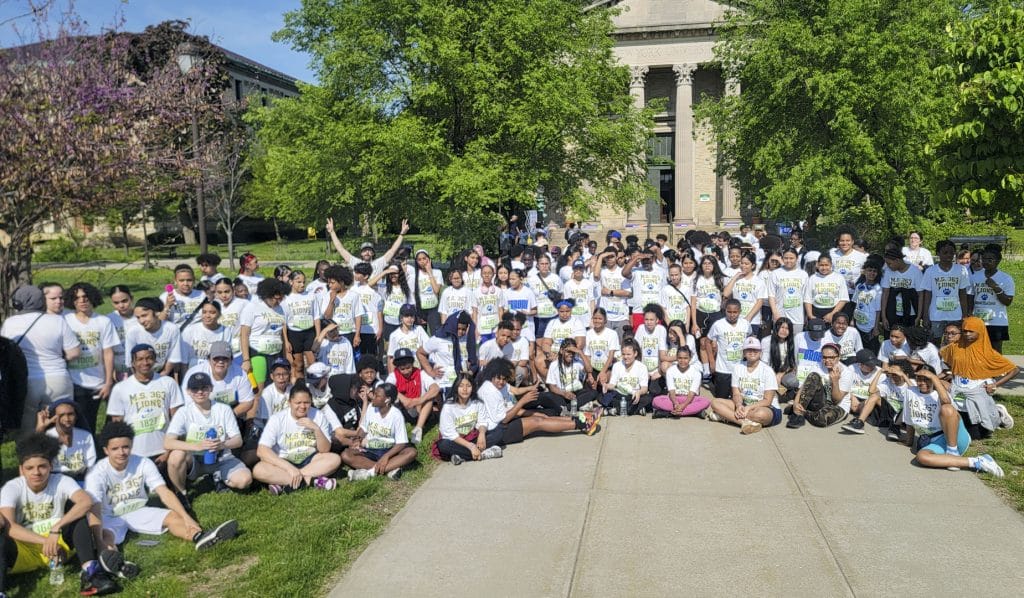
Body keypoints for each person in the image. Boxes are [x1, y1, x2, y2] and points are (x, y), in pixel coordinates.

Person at [86, 421, 239, 553]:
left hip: (137, 510)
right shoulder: (97, 473)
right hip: (110, 515)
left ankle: (201, 537)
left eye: (125, 447)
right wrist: (98, 541)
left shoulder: (143, 462)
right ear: (106, 450)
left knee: (174, 517)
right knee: (106, 535)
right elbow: (94, 509)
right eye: (115, 449)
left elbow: (164, 492)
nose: (121, 452)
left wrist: (187, 518)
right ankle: (112, 558)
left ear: (131, 445)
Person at [0, 433, 119, 596]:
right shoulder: (12, 487)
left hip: (60, 544)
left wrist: (56, 528)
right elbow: (10, 527)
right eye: (29, 468)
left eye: (42, 466)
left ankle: (91, 573)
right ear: (21, 469)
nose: (36, 472)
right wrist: (45, 540)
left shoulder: (61, 480)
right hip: (26, 549)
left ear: (50, 465)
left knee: (79, 518)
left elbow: (85, 502)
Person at [1, 285, 80, 431]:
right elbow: (74, 352)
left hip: (26, 381)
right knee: (61, 427)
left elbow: (6, 354)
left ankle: (30, 452)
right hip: (58, 379)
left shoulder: (10, 323)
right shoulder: (57, 321)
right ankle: (62, 452)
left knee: (28, 429)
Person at [899, 366, 1004, 477]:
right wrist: (909, 441)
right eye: (920, 379)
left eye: (927, 379)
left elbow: (946, 401)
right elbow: (910, 420)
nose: (923, 382)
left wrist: (934, 378)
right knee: (921, 457)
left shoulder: (939, 394)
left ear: (935, 379)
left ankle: (952, 451)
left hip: (953, 437)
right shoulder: (910, 392)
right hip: (933, 441)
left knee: (946, 409)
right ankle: (978, 461)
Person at [164, 372, 253, 501]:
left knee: (245, 480)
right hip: (195, 460)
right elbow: (168, 442)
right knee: (176, 456)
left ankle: (217, 478)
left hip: (222, 458)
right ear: (188, 391)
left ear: (211, 388)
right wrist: (196, 446)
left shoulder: (224, 409)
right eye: (195, 388)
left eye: (204, 388)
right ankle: (181, 493)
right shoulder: (184, 412)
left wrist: (222, 445)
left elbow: (238, 440)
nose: (200, 392)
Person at [478, 359, 600, 444]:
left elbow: (512, 391)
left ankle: (583, 418)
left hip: (509, 417)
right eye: (499, 378)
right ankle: (584, 425)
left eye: (504, 379)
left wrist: (529, 395)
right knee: (538, 422)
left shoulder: (499, 384)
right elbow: (503, 419)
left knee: (542, 416)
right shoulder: (489, 391)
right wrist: (523, 402)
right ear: (492, 375)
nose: (502, 382)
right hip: (498, 431)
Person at [940, 317, 1018, 440]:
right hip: (959, 392)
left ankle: (998, 413)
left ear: (980, 331)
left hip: (977, 393)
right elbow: (949, 363)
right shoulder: (955, 348)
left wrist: (995, 384)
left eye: (971, 331)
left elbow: (1014, 370)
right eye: (965, 331)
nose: (967, 334)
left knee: (978, 436)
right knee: (959, 429)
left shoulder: (988, 353)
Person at [254, 384, 341, 494]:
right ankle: (311, 480)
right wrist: (290, 468)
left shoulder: (318, 415)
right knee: (259, 469)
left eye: (306, 402)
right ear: (289, 402)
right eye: (298, 403)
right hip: (284, 462)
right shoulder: (277, 419)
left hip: (310, 460)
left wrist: (316, 429)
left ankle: (284, 483)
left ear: (311, 402)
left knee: (334, 459)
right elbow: (262, 450)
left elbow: (325, 450)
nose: (303, 406)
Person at [107, 344, 184, 465]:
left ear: (155, 360)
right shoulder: (120, 388)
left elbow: (178, 420)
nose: (145, 362)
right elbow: (117, 427)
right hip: (134, 453)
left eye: (149, 358)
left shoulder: (168, 383)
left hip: (164, 451)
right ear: (132, 362)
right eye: (140, 359)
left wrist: (168, 452)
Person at [62, 282, 119, 435]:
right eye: (77, 298)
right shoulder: (66, 321)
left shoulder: (103, 321)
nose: (82, 301)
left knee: (94, 421)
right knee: (78, 423)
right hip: (74, 381)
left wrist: (108, 382)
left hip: (98, 382)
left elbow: (108, 352)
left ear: (92, 297)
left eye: (85, 297)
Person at [342, 383, 420, 481]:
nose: (373, 397)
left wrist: (386, 456)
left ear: (387, 399)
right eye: (374, 394)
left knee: (411, 452)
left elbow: (401, 443)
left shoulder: (396, 415)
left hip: (390, 450)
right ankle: (389, 469)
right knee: (346, 455)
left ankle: (370, 472)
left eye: (377, 396)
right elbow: (363, 428)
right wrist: (358, 439)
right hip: (370, 449)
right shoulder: (371, 408)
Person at [706, 337, 781, 435]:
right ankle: (744, 423)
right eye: (749, 349)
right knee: (715, 402)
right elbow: (736, 393)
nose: (752, 352)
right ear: (744, 353)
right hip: (744, 404)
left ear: (760, 352)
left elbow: (767, 400)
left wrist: (748, 408)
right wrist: (738, 405)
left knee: (760, 415)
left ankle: (726, 417)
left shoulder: (767, 371)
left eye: (755, 350)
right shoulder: (738, 367)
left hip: (765, 407)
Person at [433, 373, 505, 465]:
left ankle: (460, 456)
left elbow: (482, 421)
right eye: (461, 386)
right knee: (443, 445)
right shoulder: (448, 407)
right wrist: (470, 446)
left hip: (473, 437)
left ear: (473, 387)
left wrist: (482, 434)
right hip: (457, 441)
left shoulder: (477, 403)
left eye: (468, 386)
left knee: (498, 431)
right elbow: (449, 434)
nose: (465, 389)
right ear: (456, 387)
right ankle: (484, 454)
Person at [239, 278, 290, 394]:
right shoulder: (252, 307)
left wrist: (286, 354)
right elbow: (244, 334)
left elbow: (281, 332)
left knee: (277, 388)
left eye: (281, 298)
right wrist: (246, 359)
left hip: (276, 353)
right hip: (258, 354)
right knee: (259, 391)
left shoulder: (281, 308)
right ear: (267, 295)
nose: (279, 301)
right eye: (277, 298)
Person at [918, 239, 970, 343]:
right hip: (936, 315)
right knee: (934, 342)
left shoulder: (961, 270)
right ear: (938, 253)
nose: (949, 255)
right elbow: (927, 294)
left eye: (951, 252)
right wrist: (926, 315)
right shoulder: (931, 271)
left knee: (954, 342)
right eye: (945, 252)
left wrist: (964, 315)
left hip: (955, 315)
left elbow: (962, 293)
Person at [386, 348, 441, 445]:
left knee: (430, 398)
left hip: (420, 409)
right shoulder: (393, 376)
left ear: (413, 364)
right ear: (397, 367)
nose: (406, 371)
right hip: (403, 409)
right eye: (402, 369)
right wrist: (404, 399)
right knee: (391, 396)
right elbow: (387, 388)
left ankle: (418, 429)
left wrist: (418, 401)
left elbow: (435, 388)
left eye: (408, 367)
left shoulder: (421, 373)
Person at [418, 311, 477, 401]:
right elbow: (420, 353)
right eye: (458, 328)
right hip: (445, 382)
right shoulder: (439, 339)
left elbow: (472, 359)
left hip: (463, 381)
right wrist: (430, 371)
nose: (461, 332)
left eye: (463, 329)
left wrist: (470, 371)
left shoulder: (468, 339)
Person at [786, 344, 848, 428]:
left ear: (838, 357)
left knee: (822, 420)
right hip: (819, 402)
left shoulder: (847, 372)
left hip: (837, 406)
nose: (827, 360)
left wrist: (835, 382)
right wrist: (796, 403)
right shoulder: (817, 366)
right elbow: (804, 387)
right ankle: (798, 414)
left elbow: (836, 400)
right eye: (824, 357)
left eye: (831, 357)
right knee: (813, 376)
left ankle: (803, 412)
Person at [35, 398, 96, 483]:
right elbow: (34, 454)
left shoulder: (85, 436)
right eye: (62, 415)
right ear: (54, 418)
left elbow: (90, 464)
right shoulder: (47, 436)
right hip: (55, 478)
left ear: (76, 416)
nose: (67, 419)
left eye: (70, 414)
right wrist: (40, 428)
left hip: (80, 478)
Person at [326, 216, 409, 277]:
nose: (367, 253)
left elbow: (392, 250)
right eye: (364, 250)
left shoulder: (379, 263)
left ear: (373, 253)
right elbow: (341, 249)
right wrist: (332, 232)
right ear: (361, 253)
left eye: (369, 250)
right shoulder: (355, 262)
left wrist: (402, 234)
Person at [969, 244, 1014, 352]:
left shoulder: (1006, 278)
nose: (986, 262)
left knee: (995, 350)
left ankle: (998, 369)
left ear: (998, 261)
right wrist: (969, 314)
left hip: (997, 321)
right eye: (984, 259)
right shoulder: (975, 277)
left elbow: (1007, 301)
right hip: (978, 320)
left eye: (990, 259)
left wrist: (995, 287)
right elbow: (970, 297)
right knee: (977, 349)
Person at [123, 297, 182, 376]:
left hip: (164, 372)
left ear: (157, 313)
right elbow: (130, 361)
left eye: (144, 315)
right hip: (139, 374)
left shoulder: (172, 329)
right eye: (138, 317)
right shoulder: (133, 332)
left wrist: (163, 374)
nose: (141, 321)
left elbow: (174, 356)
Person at [706, 299, 752, 399]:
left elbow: (750, 341)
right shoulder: (718, 324)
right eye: (729, 312)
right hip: (723, 369)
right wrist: (711, 361)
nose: (732, 315)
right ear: (725, 311)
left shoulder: (746, 324)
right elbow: (707, 342)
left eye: (735, 312)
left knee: (740, 398)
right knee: (721, 398)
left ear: (740, 311)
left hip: (740, 368)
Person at [281, 270, 321, 377]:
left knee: (313, 364)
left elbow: (316, 316)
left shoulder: (311, 296)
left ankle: (315, 389)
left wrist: (318, 335)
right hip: (294, 334)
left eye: (304, 282)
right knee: (298, 365)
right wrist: (286, 341)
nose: (302, 284)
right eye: (298, 282)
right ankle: (300, 388)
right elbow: (283, 322)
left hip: (309, 333)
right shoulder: (286, 299)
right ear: (291, 282)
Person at [651, 346, 710, 418]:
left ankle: (668, 413)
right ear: (676, 358)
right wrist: (675, 403)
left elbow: (691, 393)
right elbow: (671, 391)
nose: (682, 361)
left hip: (690, 399)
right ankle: (694, 413)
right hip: (674, 398)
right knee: (656, 401)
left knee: (705, 402)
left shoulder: (696, 373)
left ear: (690, 358)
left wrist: (683, 405)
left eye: (685, 358)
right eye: (680, 358)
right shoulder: (670, 370)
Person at [837, 349, 885, 434]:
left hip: (869, 401)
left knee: (871, 399)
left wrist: (879, 373)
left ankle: (859, 423)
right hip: (853, 397)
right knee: (844, 392)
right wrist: (851, 396)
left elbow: (875, 393)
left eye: (874, 364)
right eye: (869, 365)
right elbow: (844, 385)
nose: (872, 367)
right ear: (860, 364)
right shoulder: (852, 368)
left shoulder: (879, 372)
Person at [600, 338, 651, 416]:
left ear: (635, 353)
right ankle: (635, 410)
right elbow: (613, 385)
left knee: (648, 398)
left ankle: (615, 410)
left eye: (628, 354)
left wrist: (639, 392)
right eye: (623, 354)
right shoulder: (617, 365)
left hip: (633, 395)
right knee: (602, 396)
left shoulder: (642, 367)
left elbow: (644, 388)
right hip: (620, 395)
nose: (625, 357)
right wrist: (606, 386)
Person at [723, 251, 768, 336]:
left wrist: (748, 317)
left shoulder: (759, 281)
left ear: (753, 265)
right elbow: (725, 294)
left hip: (752, 320)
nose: (743, 266)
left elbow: (759, 302)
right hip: (735, 319)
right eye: (742, 263)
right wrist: (735, 277)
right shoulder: (736, 279)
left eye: (746, 264)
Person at [179, 299, 232, 370]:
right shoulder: (190, 330)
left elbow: (226, 356)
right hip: (193, 370)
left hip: (216, 371)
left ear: (219, 314)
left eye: (212, 312)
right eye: (204, 312)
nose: (207, 316)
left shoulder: (225, 331)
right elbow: (184, 360)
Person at [320, 265, 364, 348]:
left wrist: (357, 335)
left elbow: (358, 316)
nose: (330, 285)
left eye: (332, 283)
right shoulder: (327, 296)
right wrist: (331, 301)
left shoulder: (354, 296)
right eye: (328, 283)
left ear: (341, 282)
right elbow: (327, 316)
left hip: (350, 333)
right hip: (333, 333)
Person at [594, 249, 632, 340]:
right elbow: (595, 275)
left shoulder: (622, 272)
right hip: (606, 316)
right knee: (607, 344)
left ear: (616, 258)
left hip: (621, 316)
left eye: (612, 257)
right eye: (607, 257)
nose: (609, 259)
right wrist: (601, 256)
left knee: (623, 345)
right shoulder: (602, 271)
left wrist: (610, 292)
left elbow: (628, 293)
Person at [851, 255, 884, 353]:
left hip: (870, 326)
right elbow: (855, 304)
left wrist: (876, 327)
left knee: (872, 350)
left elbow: (878, 310)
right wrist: (852, 321)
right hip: (858, 323)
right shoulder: (859, 287)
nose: (872, 273)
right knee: (859, 349)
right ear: (864, 271)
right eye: (869, 270)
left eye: (874, 271)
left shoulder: (878, 289)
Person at [804, 254, 849, 322]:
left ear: (831, 265)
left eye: (826, 265)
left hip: (834, 311)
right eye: (822, 265)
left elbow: (843, 299)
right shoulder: (812, 278)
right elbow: (807, 299)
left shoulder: (839, 278)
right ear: (817, 265)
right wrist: (810, 315)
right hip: (816, 312)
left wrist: (832, 314)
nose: (824, 268)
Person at [106, 285, 137, 380]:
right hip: (119, 370)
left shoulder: (140, 316)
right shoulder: (108, 319)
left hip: (140, 366)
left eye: (124, 301)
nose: (121, 305)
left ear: (131, 299)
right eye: (116, 303)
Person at [387, 304, 430, 371]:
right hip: (403, 369)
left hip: (418, 369)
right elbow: (391, 357)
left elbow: (429, 345)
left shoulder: (419, 329)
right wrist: (392, 376)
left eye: (412, 316)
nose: (410, 319)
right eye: (406, 316)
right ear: (401, 317)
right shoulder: (394, 335)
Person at [410, 250, 444, 334]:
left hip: (434, 309)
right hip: (420, 309)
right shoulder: (414, 275)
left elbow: (436, 290)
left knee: (436, 334)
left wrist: (429, 273)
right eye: (419, 259)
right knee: (420, 335)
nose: (422, 261)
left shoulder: (437, 272)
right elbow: (413, 295)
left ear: (429, 259)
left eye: (424, 259)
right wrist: (415, 313)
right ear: (416, 262)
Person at [473, 264, 505, 342]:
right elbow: (474, 312)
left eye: (489, 273)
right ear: (481, 275)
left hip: (495, 329)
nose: (487, 275)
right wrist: (475, 328)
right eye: (484, 273)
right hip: (482, 329)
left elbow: (501, 310)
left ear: (493, 274)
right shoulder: (475, 292)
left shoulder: (498, 291)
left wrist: (500, 328)